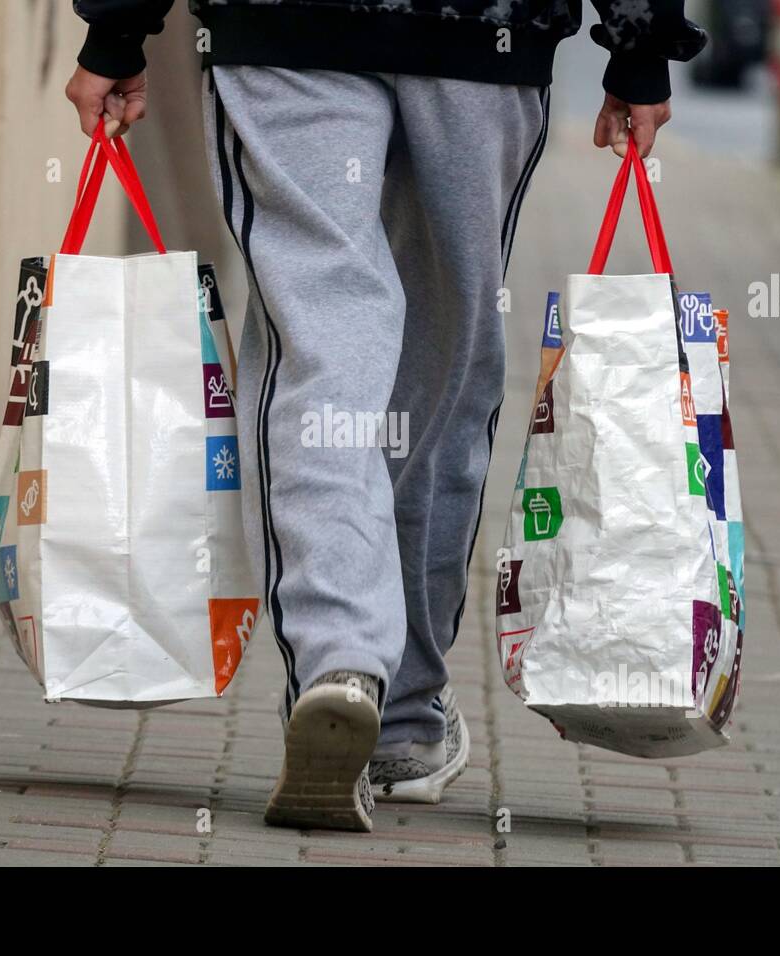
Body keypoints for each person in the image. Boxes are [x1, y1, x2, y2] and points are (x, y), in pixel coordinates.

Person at [65, 0, 705, 832]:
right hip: (485, 38)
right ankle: (403, 718)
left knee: (324, 340)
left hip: (286, 32)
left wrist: (118, 25)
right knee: (445, 355)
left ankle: (340, 660)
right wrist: (642, 39)